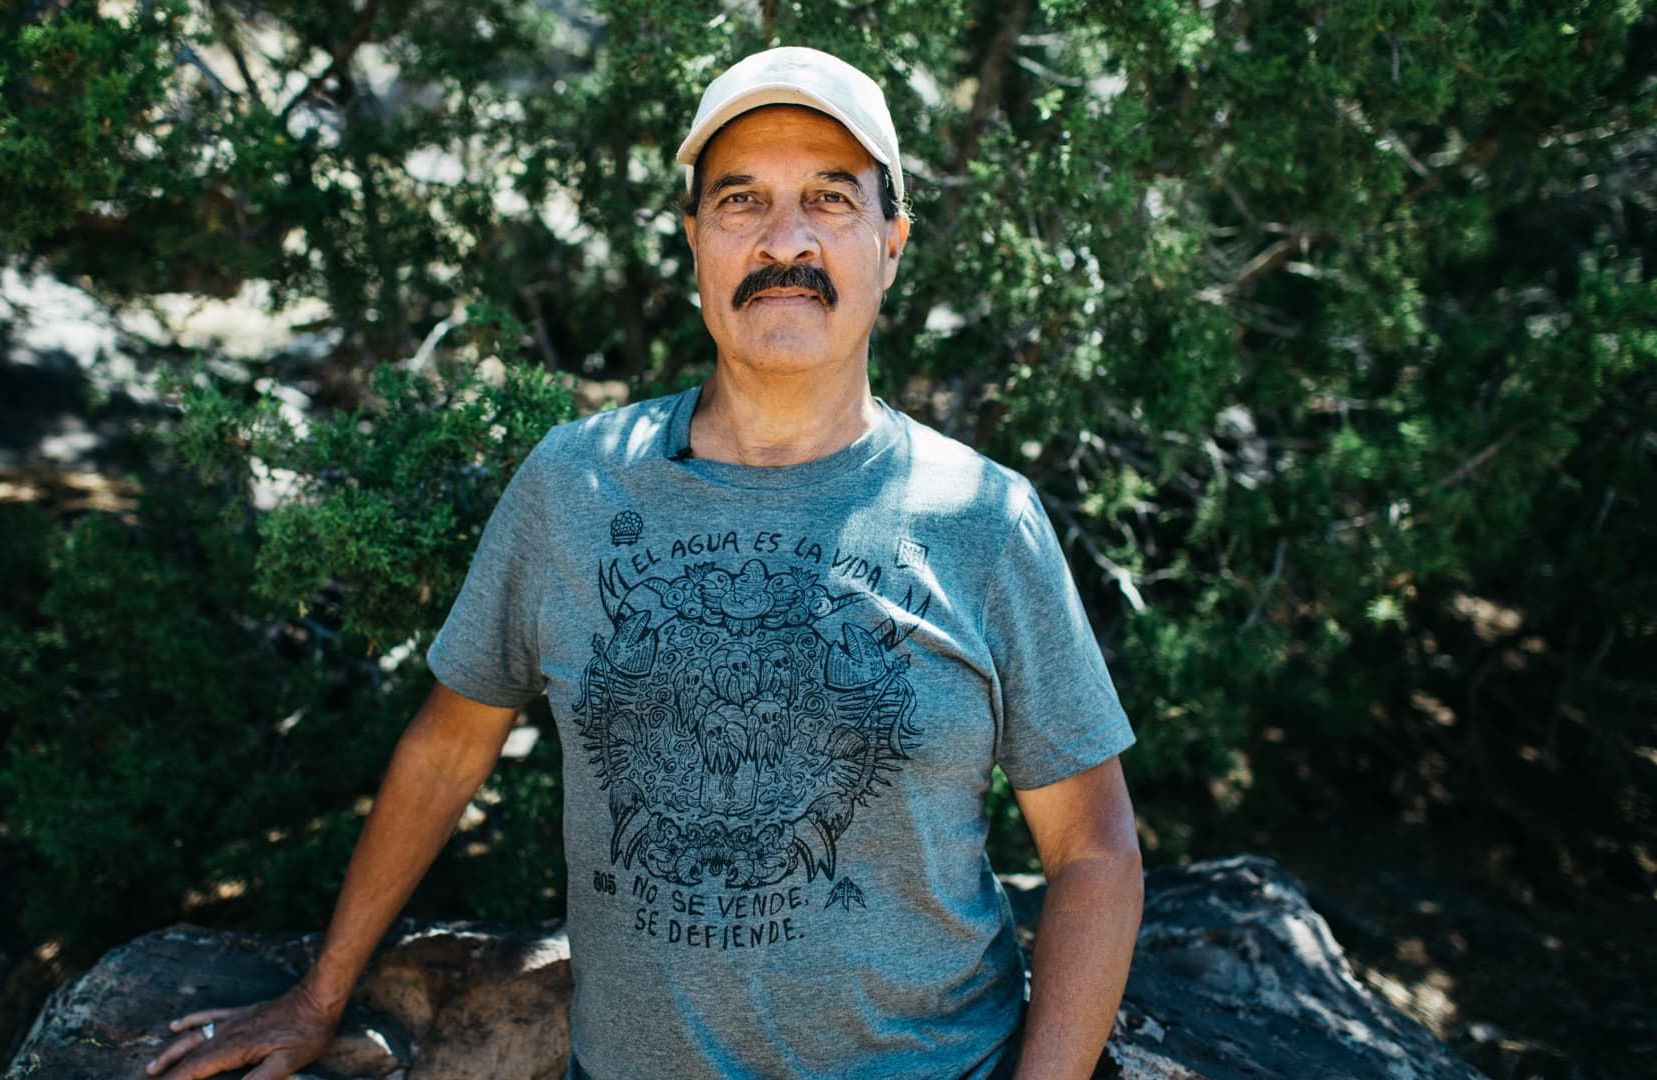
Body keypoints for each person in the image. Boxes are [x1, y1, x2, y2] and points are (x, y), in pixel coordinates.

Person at [145, 45, 1142, 1080]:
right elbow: (447, 750)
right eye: (741, 202)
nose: (784, 240)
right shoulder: (575, 486)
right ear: (695, 243)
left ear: (891, 244)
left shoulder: (984, 519)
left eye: (831, 200)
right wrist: (317, 998)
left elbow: (1094, 851)